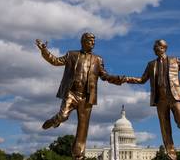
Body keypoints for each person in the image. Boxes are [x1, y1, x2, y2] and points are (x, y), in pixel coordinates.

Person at [36, 32, 123, 160]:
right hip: (71, 93)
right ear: (83, 41)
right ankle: (55, 120)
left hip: (86, 97)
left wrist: (116, 79)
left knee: (82, 128)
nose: (93, 43)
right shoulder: (72, 55)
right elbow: (55, 61)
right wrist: (44, 50)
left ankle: (78, 156)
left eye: (94, 41)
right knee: (63, 115)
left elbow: (105, 76)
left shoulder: (98, 59)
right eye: (90, 41)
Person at [123, 39, 180, 160]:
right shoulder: (151, 64)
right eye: (154, 47)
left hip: (174, 97)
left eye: (156, 47)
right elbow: (142, 80)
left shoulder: (175, 60)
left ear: (163, 48)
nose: (154, 49)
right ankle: (171, 153)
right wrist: (127, 79)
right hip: (160, 100)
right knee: (165, 129)